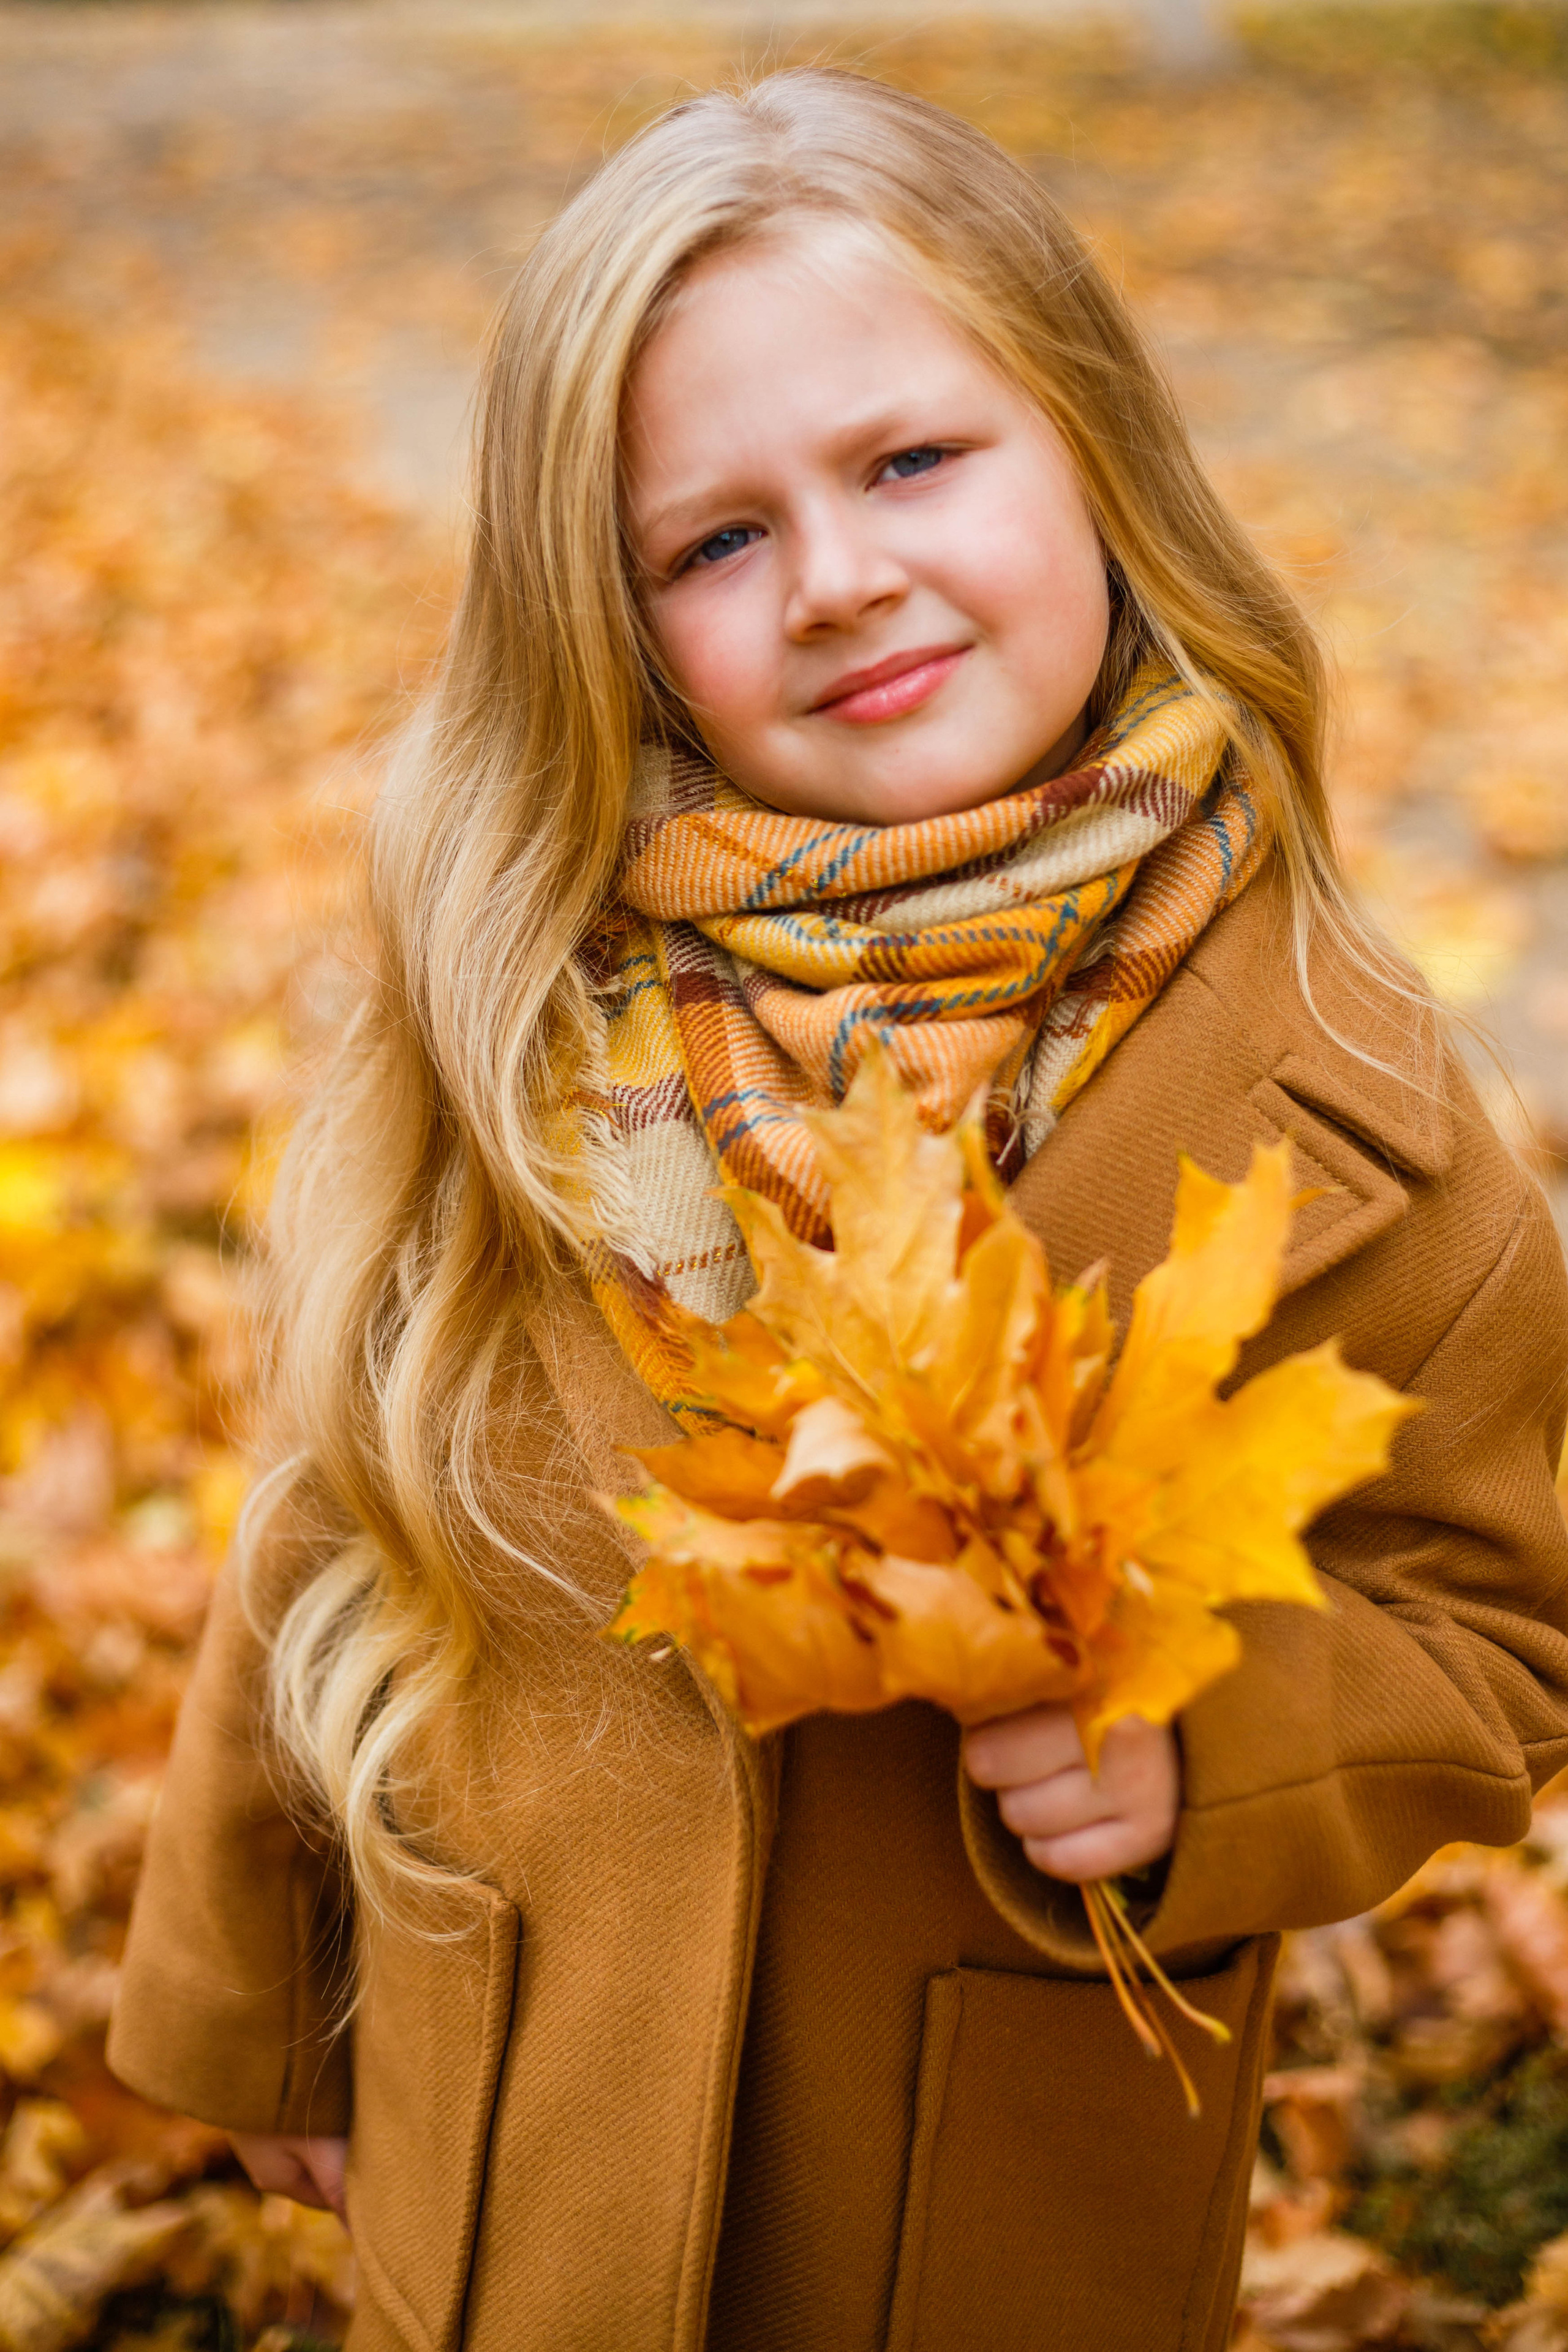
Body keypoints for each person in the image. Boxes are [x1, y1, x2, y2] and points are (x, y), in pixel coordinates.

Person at [108, 68, 1568, 2352]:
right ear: (608, 618)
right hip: (526, 2146)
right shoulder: (529, 1015)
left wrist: (1216, 1750)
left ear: (1092, 446)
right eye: (714, 541)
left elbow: (1499, 1623)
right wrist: (243, 1987)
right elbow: (337, 1490)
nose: (842, 578)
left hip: (990, 2203)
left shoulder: (1360, 1113)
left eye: (910, 461)